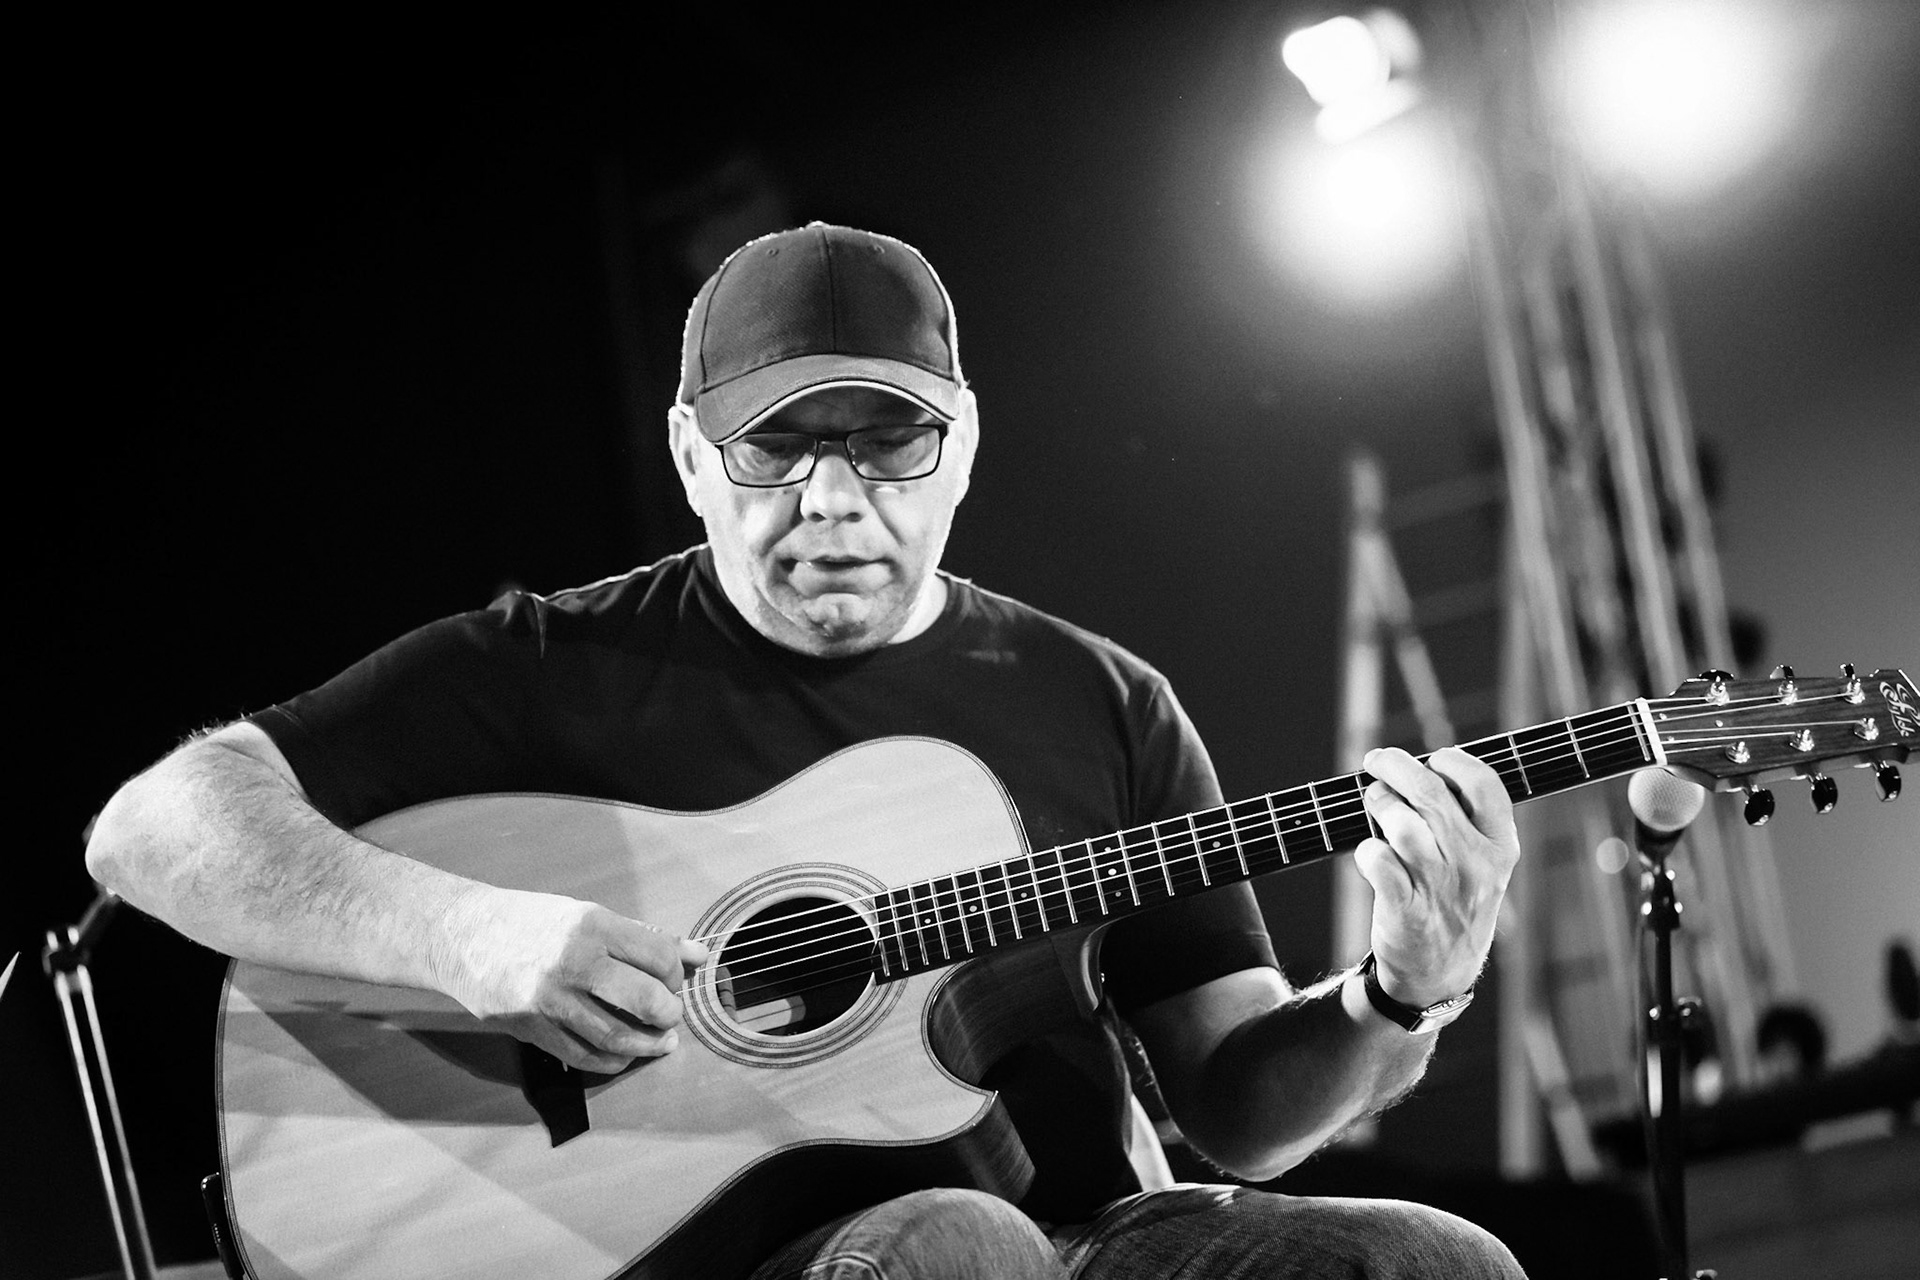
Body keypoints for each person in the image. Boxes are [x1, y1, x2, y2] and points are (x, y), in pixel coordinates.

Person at [86, 223, 1527, 1278]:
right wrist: (469, 935)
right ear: (690, 457)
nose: (833, 499)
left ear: (963, 448)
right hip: (718, 1260)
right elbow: (151, 829)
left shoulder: (1103, 702)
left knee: (1438, 1263)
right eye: (775, 449)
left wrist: (1402, 995)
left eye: (889, 444)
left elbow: (1241, 1116)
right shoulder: (549, 666)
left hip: (1083, 1241)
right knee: (960, 1246)